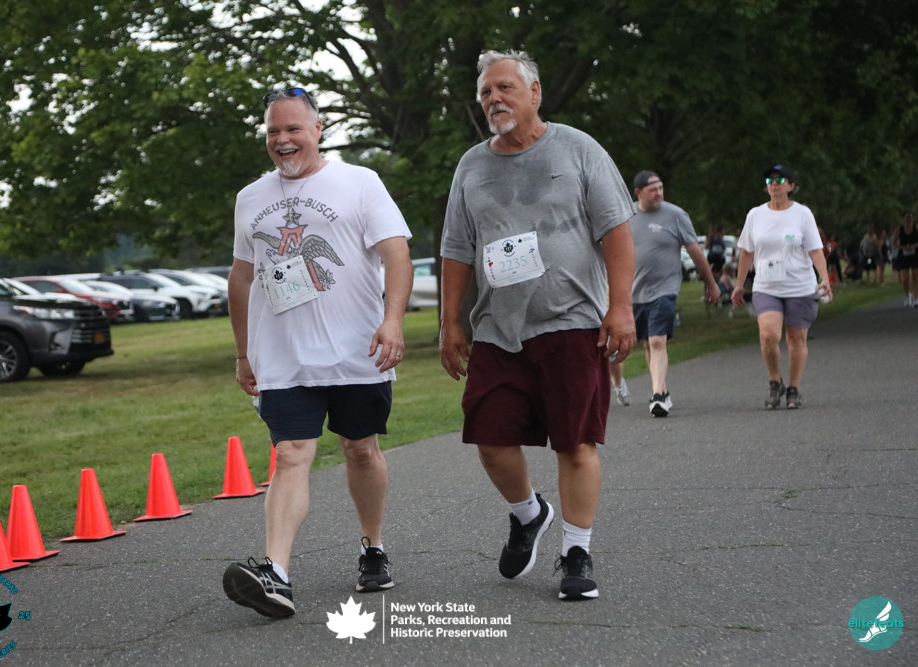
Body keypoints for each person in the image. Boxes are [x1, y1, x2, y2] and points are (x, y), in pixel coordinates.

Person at [439, 50, 637, 601]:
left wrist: (620, 306)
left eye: (504, 87)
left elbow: (617, 232)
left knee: (575, 443)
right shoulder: (470, 166)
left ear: (534, 92)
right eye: (485, 92)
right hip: (498, 328)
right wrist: (450, 322)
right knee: (490, 438)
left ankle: (576, 552)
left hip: (571, 321)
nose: (493, 99)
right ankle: (529, 514)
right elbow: (456, 249)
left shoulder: (577, 149)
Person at [222, 86, 413, 618]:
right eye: (273, 132)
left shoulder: (359, 182)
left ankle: (373, 546)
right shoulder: (250, 197)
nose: (282, 140)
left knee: (360, 449)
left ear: (318, 129)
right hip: (283, 357)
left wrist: (393, 321)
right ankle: (276, 574)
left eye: (293, 129)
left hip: (357, 352)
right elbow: (241, 277)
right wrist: (243, 353)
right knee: (289, 453)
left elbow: (397, 253)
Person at [610, 171, 720, 417]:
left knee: (657, 341)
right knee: (648, 343)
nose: (659, 193)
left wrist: (711, 284)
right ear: (638, 192)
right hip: (634, 292)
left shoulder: (676, 215)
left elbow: (695, 251)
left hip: (665, 289)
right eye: (653, 190)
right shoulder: (625, 216)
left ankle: (658, 395)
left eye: (661, 188)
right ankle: (662, 390)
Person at [731, 164, 831, 409]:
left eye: (780, 179)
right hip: (766, 286)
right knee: (769, 335)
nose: (774, 183)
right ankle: (775, 382)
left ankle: (794, 388)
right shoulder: (755, 215)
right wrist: (739, 284)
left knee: (796, 339)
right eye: (770, 180)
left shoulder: (802, 214)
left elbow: (815, 250)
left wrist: (825, 278)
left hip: (800, 286)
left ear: (791, 186)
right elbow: (746, 252)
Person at [892, 210, 918, 306]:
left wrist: (914, 245)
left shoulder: (916, 228)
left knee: (915, 275)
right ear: (903, 218)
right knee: (905, 279)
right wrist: (902, 247)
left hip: (915, 254)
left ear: (913, 218)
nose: (908, 219)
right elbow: (894, 243)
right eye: (907, 217)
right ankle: (908, 295)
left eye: (910, 217)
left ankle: (916, 297)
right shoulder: (899, 229)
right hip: (903, 255)